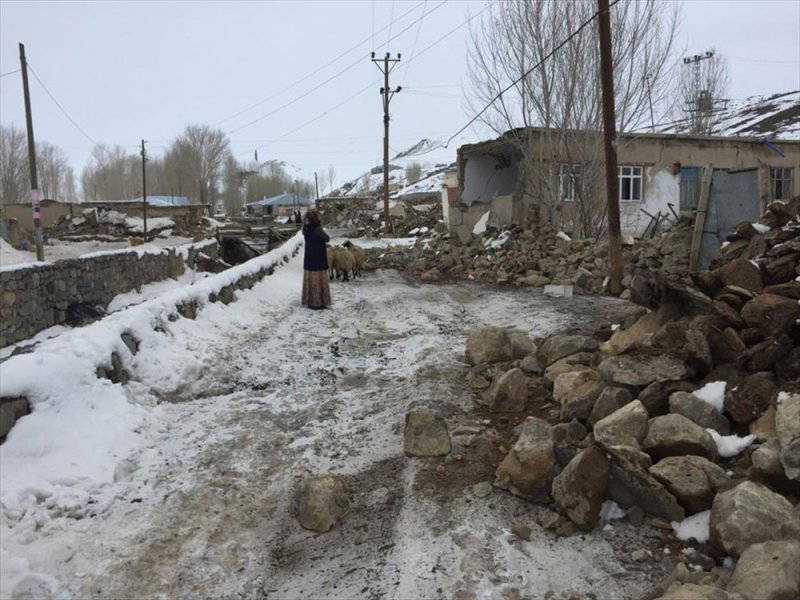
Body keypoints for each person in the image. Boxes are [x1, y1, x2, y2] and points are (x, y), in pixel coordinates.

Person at [301, 209, 331, 309]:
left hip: (309, 258)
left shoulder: (306, 228)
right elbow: (327, 238)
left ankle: (310, 302)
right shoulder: (316, 228)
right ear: (315, 218)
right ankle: (318, 303)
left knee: (311, 280)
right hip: (318, 258)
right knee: (318, 280)